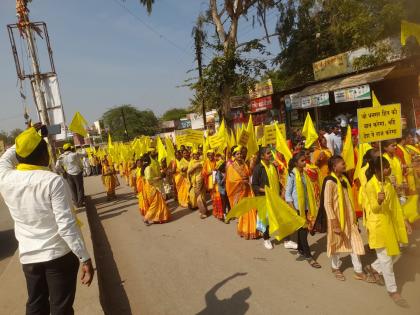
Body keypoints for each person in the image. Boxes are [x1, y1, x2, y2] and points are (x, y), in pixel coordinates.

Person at [0, 126, 94, 315]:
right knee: (60, 308)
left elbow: (5, 159)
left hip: (29, 257)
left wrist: (28, 136)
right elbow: (66, 225)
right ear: (43, 155)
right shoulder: (52, 181)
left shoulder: (6, 178)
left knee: (36, 305)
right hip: (58, 255)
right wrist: (85, 258)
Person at [362, 157, 410, 307]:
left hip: (390, 223)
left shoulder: (388, 182)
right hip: (378, 225)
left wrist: (404, 221)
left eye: (388, 166)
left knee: (395, 251)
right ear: (376, 170)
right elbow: (374, 209)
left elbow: (395, 204)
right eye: (385, 168)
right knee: (387, 260)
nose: (388, 169)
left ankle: (374, 267)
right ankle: (393, 291)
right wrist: (379, 201)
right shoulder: (370, 185)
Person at [322, 155, 373, 282]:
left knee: (354, 242)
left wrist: (354, 218)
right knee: (336, 243)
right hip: (336, 219)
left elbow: (349, 200)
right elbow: (327, 204)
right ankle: (335, 267)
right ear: (334, 167)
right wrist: (334, 223)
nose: (345, 165)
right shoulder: (330, 181)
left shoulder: (344, 178)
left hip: (349, 218)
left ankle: (358, 270)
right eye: (342, 164)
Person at [285, 152, 321, 268]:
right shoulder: (291, 174)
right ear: (296, 163)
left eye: (305, 160)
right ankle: (308, 255)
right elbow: (288, 194)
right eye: (302, 161)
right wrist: (293, 208)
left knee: (303, 231)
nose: (305, 162)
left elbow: (308, 190)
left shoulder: (304, 174)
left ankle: (301, 248)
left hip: (305, 207)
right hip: (297, 208)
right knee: (303, 231)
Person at [226, 146, 258, 240]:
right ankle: (243, 229)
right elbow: (230, 181)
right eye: (237, 154)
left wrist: (252, 163)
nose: (239, 155)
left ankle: (252, 230)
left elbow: (249, 174)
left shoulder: (244, 164)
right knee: (243, 211)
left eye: (240, 153)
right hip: (239, 191)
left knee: (251, 210)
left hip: (248, 189)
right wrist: (241, 182)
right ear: (234, 156)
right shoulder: (231, 167)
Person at [142, 154, 170, 225]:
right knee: (155, 204)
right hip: (151, 187)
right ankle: (146, 218)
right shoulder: (148, 168)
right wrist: (159, 177)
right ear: (149, 160)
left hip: (149, 187)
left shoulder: (145, 168)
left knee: (157, 203)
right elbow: (149, 179)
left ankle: (158, 217)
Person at [56, 143, 87, 208]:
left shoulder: (61, 157)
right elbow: (85, 154)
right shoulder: (75, 154)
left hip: (68, 174)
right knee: (79, 188)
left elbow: (57, 166)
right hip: (77, 173)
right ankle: (80, 203)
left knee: (72, 189)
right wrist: (83, 148)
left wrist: (63, 172)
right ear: (70, 148)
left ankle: (76, 203)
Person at [188, 149, 208, 219]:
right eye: (195, 154)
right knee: (199, 196)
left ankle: (205, 210)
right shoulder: (191, 162)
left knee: (203, 196)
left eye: (197, 154)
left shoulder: (202, 161)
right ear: (193, 155)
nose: (196, 155)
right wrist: (195, 167)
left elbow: (205, 169)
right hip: (195, 182)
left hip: (202, 180)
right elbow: (188, 172)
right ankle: (202, 212)